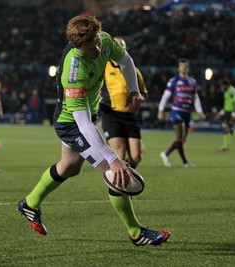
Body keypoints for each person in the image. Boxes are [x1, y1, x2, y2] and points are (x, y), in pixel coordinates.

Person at [17, 16, 170, 246]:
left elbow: (126, 60)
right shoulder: (73, 70)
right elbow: (84, 124)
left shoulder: (103, 40)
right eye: (92, 47)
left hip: (89, 113)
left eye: (98, 41)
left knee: (69, 167)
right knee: (115, 172)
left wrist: (134, 90)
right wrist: (112, 158)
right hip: (72, 123)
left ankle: (29, 203)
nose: (98, 48)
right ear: (79, 47)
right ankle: (136, 232)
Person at [100, 36, 147, 169]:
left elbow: (142, 91)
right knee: (119, 154)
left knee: (136, 157)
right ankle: (119, 184)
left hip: (130, 115)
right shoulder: (103, 67)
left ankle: (126, 176)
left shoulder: (134, 70)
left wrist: (140, 98)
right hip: (111, 114)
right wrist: (98, 96)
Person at [157, 58, 206, 168]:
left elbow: (195, 97)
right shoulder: (173, 81)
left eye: (186, 66)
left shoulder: (192, 82)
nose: (184, 68)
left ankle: (167, 154)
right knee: (179, 138)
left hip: (187, 112)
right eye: (182, 66)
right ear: (178, 68)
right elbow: (165, 96)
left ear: (188, 68)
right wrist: (160, 110)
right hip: (177, 111)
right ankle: (182, 161)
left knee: (182, 140)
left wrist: (200, 111)